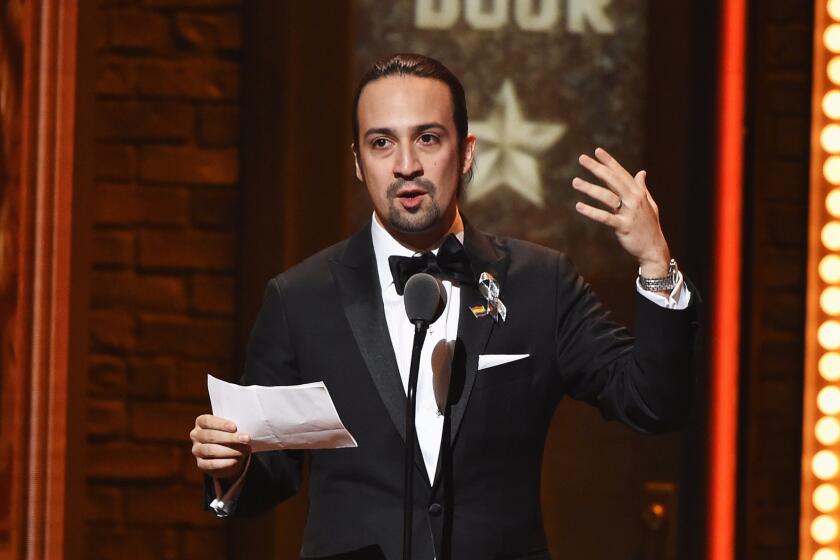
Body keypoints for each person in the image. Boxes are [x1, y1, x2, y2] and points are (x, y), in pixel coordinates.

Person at [189, 53, 699, 560]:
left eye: (427, 138)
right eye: (382, 142)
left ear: (467, 152)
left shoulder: (540, 283)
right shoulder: (299, 298)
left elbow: (652, 404)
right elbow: (271, 473)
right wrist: (232, 468)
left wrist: (657, 264)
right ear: (357, 162)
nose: (406, 165)